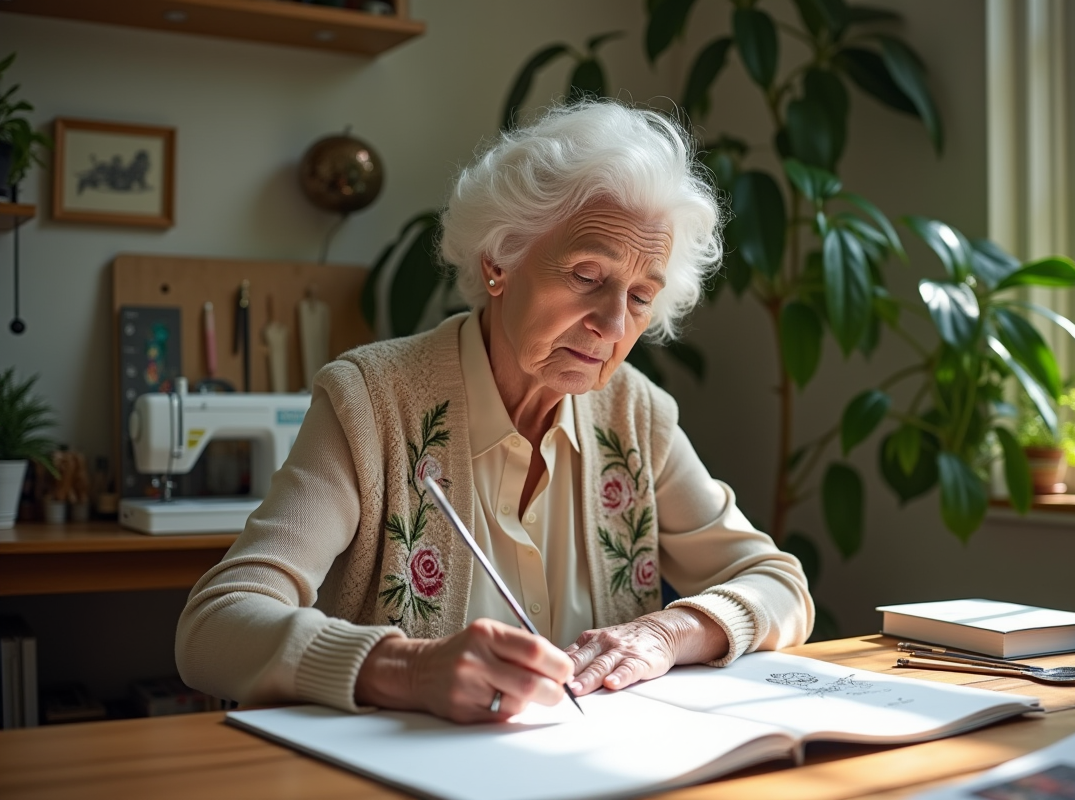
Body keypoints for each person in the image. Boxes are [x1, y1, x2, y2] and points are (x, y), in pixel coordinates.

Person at [176, 101, 813, 724]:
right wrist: (408, 669)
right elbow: (215, 626)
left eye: (641, 296)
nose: (613, 324)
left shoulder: (636, 414)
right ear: (498, 262)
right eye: (588, 275)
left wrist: (667, 633)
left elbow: (778, 582)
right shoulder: (371, 401)